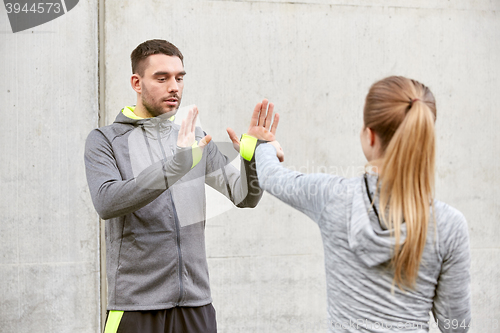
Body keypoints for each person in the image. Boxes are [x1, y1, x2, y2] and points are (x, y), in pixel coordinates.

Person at [244, 76, 471, 332]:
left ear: (369, 136)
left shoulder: (331, 197)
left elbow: (272, 177)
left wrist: (262, 143)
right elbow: (456, 326)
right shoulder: (449, 225)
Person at [84, 39, 278, 333]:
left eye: (179, 77)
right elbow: (107, 202)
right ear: (137, 82)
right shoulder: (105, 140)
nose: (174, 86)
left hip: (195, 304)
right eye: (161, 78)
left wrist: (252, 160)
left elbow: (244, 197)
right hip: (136, 307)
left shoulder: (197, 139)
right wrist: (176, 166)